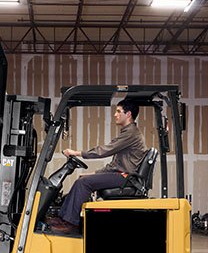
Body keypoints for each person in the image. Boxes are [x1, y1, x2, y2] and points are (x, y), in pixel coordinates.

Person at [50, 99, 146, 233]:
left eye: (118, 111)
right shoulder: (128, 133)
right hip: (121, 175)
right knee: (81, 181)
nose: (115, 115)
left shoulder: (131, 134)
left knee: (83, 184)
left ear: (128, 114)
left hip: (126, 178)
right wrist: (95, 174)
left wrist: (77, 153)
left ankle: (70, 223)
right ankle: (63, 218)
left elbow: (104, 151)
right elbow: (115, 165)